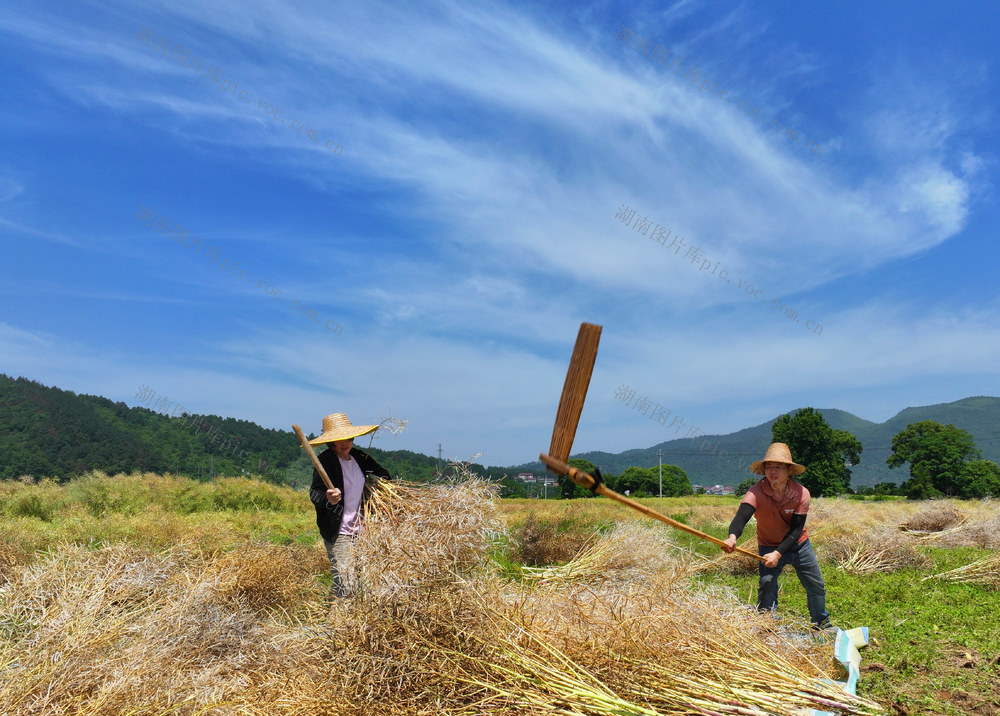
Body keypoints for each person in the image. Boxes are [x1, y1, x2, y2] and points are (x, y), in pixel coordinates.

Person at [722, 442, 831, 629]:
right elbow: (741, 517)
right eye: (769, 467)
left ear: (789, 470)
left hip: (799, 545)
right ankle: (767, 626)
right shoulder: (755, 492)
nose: (773, 471)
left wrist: (778, 553)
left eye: (779, 467)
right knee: (767, 584)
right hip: (768, 545)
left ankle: (821, 623)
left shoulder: (801, 493)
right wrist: (732, 537)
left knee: (815, 584)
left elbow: (796, 530)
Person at [307, 413, 389, 597]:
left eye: (348, 438)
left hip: (362, 529)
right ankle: (338, 614)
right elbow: (314, 493)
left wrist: (377, 488)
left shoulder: (359, 457)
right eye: (339, 439)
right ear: (331, 442)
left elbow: (384, 475)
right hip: (339, 530)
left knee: (360, 581)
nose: (345, 443)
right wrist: (328, 498)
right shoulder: (325, 461)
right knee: (346, 581)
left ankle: (341, 612)